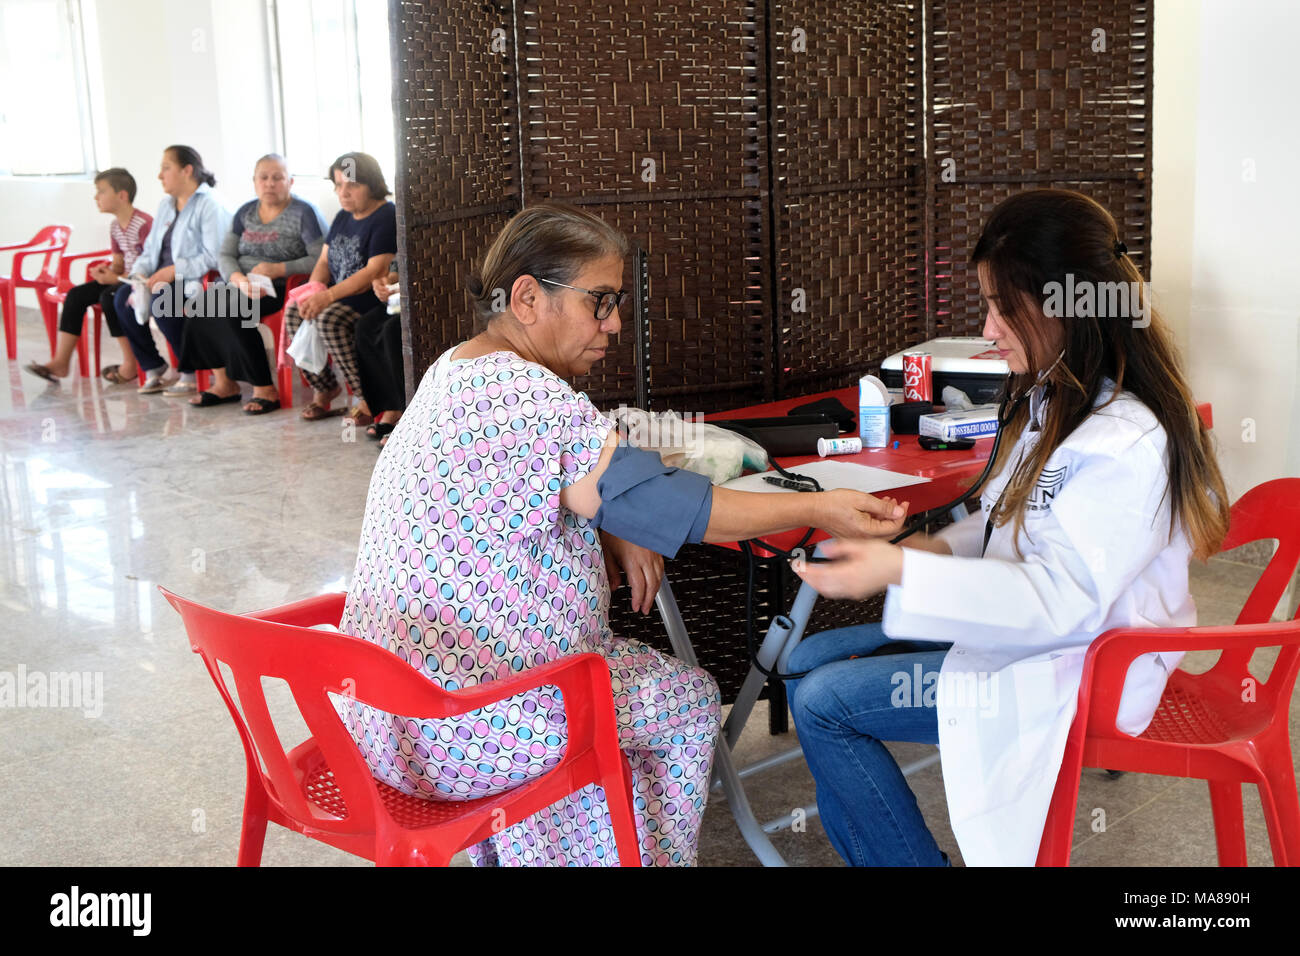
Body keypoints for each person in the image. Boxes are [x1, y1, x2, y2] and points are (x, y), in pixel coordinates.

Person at [336, 203, 908, 866]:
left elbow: (589, 489)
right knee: (688, 702)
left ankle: (558, 847)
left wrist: (615, 520)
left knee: (608, 687)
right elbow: (662, 501)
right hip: (472, 726)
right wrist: (821, 509)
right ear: (527, 297)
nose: (614, 325)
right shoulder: (527, 391)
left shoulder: (455, 372)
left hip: (385, 716)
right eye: (600, 302)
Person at [785, 188, 1230, 866]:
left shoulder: (1124, 441)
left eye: (1002, 307)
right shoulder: (1062, 399)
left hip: (1083, 661)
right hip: (1035, 636)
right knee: (802, 660)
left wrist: (903, 569)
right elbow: (1002, 523)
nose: (988, 330)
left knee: (822, 702)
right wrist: (923, 546)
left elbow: (1060, 599)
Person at [183, 154, 327, 414]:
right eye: (264, 177)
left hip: (282, 286)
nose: (270, 183)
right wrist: (236, 278)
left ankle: (264, 387)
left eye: (277, 178)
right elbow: (225, 254)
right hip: (242, 282)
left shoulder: (304, 213)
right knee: (198, 307)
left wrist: (279, 268)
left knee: (232, 311)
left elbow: (322, 257)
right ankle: (225, 383)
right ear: (254, 181)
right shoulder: (245, 212)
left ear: (290, 181)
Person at [282, 151, 396, 424]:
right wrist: (313, 292)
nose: (343, 193)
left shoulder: (386, 215)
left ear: (372, 184)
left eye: (352, 185)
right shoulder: (343, 217)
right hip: (339, 294)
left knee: (329, 319)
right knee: (295, 312)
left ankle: (368, 396)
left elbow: (375, 271)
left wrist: (326, 297)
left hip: (371, 298)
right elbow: (323, 259)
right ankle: (324, 388)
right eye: (338, 185)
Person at [22, 168, 152, 384]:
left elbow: (151, 263)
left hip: (140, 282)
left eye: (101, 191)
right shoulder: (115, 227)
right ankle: (60, 363)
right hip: (122, 279)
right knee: (76, 295)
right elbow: (119, 263)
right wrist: (107, 271)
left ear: (122, 195)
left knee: (110, 296)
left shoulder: (144, 224)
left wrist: (116, 278)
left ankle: (131, 363)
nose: (96, 197)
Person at [121, 145, 231, 395]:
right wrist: (138, 274)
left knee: (164, 300)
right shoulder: (166, 205)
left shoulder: (210, 205)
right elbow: (150, 250)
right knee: (121, 300)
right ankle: (153, 366)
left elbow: (214, 256)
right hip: (161, 276)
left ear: (187, 170)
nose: (160, 175)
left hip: (197, 279)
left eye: (165, 168)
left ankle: (191, 372)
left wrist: (174, 270)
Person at [352, 266, 403, 443]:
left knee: (392, 331)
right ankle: (391, 407)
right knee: (365, 326)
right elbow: (399, 263)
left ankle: (407, 412)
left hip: (436, 288)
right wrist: (388, 281)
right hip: (402, 294)